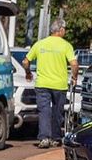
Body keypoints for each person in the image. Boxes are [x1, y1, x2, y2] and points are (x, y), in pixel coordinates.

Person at [23, 18, 80, 147]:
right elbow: (74, 65)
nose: (64, 31)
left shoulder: (40, 44)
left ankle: (44, 138)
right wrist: (74, 77)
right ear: (60, 30)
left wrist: (28, 73)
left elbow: (26, 61)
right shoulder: (66, 45)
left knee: (44, 111)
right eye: (64, 29)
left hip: (42, 84)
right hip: (59, 85)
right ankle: (55, 138)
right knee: (57, 112)